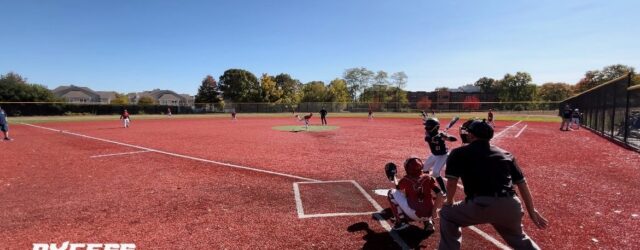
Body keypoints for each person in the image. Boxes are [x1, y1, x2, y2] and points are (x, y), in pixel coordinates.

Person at [438, 119, 548, 250]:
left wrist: (449, 202)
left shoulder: (459, 153)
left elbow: (451, 183)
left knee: (447, 214)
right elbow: (522, 184)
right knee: (519, 239)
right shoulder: (506, 154)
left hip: (480, 204)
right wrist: (531, 210)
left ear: (471, 135)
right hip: (511, 205)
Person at [387, 158, 444, 232]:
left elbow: (398, 187)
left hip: (414, 214)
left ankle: (401, 222)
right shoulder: (428, 178)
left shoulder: (406, 179)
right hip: (429, 214)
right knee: (426, 198)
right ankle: (428, 221)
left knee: (391, 193)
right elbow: (440, 194)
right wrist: (434, 210)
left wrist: (394, 176)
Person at [423, 117, 457, 195]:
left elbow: (454, 139)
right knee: (425, 168)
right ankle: (428, 183)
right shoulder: (428, 134)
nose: (426, 128)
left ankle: (444, 191)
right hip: (434, 155)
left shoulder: (441, 134)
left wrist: (445, 137)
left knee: (435, 172)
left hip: (443, 155)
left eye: (428, 126)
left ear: (434, 127)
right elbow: (428, 138)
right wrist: (435, 138)